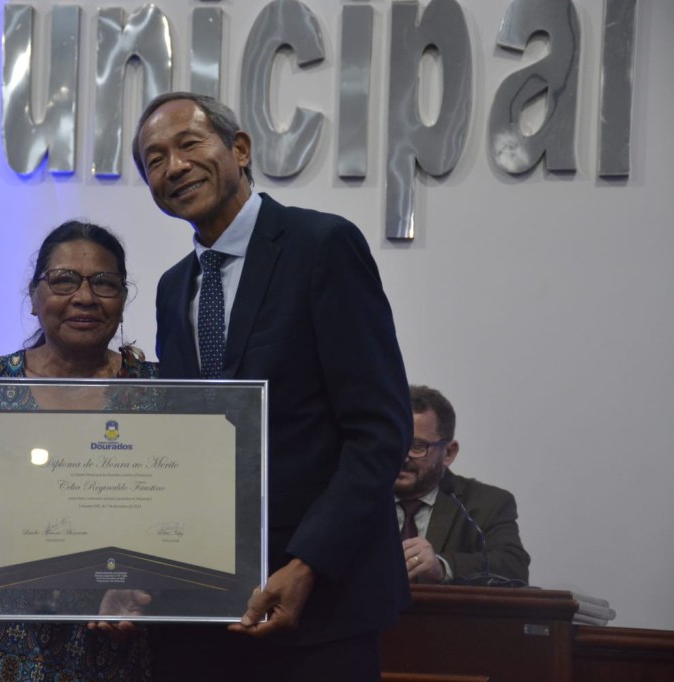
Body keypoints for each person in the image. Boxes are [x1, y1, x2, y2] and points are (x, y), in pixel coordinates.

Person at [132, 92, 412, 680]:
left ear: (239, 149)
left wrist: (308, 563)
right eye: (155, 160)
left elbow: (379, 430)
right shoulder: (172, 288)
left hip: (322, 609)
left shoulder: (322, 246)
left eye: (189, 144)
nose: (174, 167)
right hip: (204, 612)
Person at [0, 221, 156, 682]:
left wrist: (149, 591)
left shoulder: (158, 391)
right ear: (33, 297)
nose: (84, 297)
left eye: (104, 283)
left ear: (122, 299)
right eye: (64, 280)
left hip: (112, 631)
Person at [396, 385, 530, 585]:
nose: (403, 457)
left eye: (417, 446)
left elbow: (513, 566)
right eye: (395, 442)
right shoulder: (357, 497)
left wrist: (442, 566)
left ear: (448, 453)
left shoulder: (486, 504)